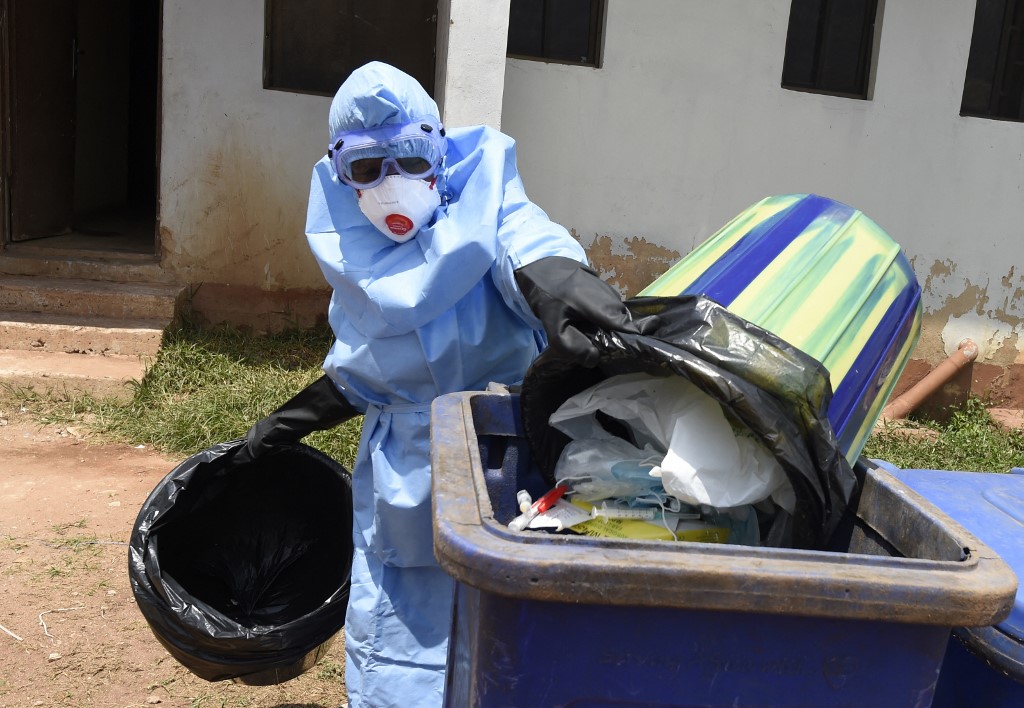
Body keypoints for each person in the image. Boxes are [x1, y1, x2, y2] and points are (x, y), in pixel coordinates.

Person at [239, 61, 637, 706]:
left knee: (501, 625)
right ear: (342, 177)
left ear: (440, 154)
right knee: (399, 633)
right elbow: (366, 372)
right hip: (402, 472)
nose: (391, 187)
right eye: (367, 170)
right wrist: (286, 422)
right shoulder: (358, 250)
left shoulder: (485, 210)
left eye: (410, 161)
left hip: (499, 458)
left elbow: (524, 239)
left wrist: (558, 278)